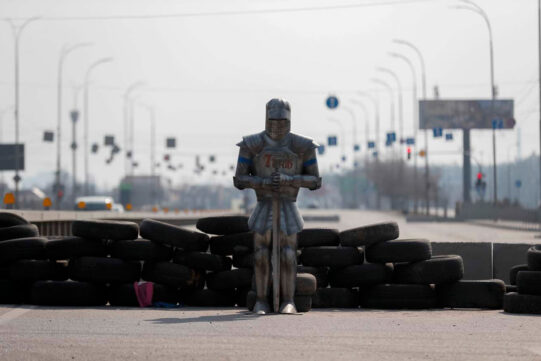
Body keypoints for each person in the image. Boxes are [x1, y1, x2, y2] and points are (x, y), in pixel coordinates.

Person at [233, 98, 321, 314]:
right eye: (273, 120)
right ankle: (261, 299)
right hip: (263, 204)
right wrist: (262, 182)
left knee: (289, 255)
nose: (278, 125)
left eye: (282, 120)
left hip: (288, 205)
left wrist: (289, 180)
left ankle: (288, 300)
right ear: (266, 117)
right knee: (261, 254)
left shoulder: (302, 145)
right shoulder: (252, 144)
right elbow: (239, 179)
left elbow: (315, 180)